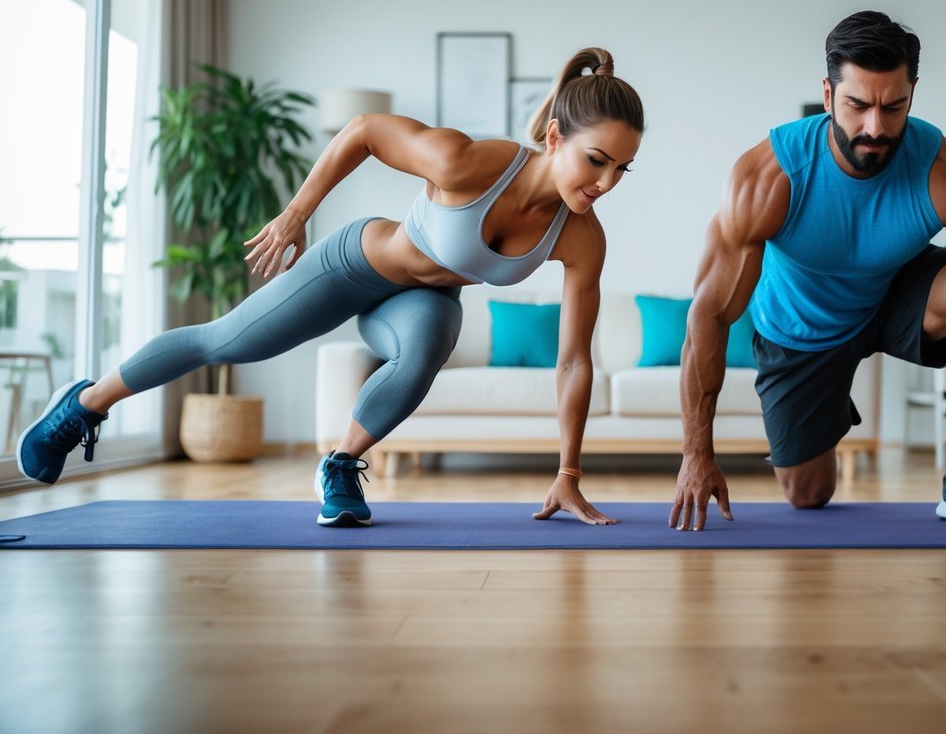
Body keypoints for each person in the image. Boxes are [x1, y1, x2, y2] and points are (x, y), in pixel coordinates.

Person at [19, 47, 643, 528]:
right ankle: (85, 404)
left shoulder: (582, 237)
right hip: (355, 266)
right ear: (557, 137)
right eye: (597, 160)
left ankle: (340, 463)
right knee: (229, 343)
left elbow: (573, 360)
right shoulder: (470, 163)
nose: (608, 184)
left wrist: (568, 470)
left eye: (622, 168)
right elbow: (366, 129)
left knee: (431, 343)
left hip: (421, 301)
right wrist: (295, 214)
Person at [670, 11, 946, 532]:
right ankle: (826, 409)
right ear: (827, 94)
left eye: (894, 106)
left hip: (892, 293)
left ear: (913, 94)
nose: (876, 128)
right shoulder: (769, 176)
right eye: (857, 104)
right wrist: (695, 453)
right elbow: (709, 315)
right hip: (800, 329)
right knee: (808, 494)